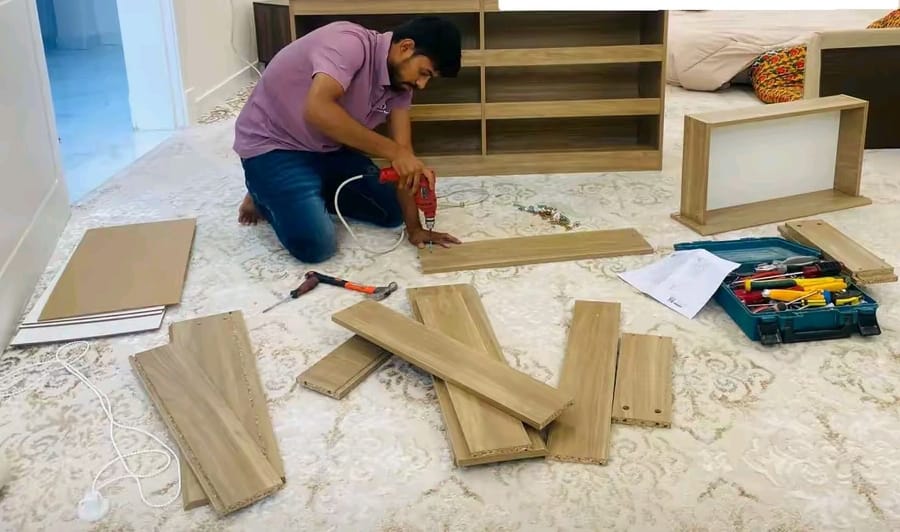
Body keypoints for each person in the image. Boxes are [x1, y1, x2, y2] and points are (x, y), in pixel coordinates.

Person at [232, 16, 463, 263]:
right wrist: (395, 153)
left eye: (429, 78)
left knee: (393, 212)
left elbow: (403, 152)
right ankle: (262, 191)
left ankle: (304, 190)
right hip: (274, 146)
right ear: (406, 47)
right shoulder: (348, 43)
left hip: (327, 148)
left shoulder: (401, 85)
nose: (422, 84)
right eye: (423, 73)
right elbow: (317, 110)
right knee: (317, 246)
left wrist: (415, 229)